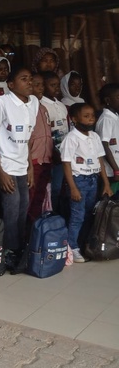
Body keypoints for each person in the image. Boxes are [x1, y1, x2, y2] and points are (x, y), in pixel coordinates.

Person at [0, 67, 39, 274]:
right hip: (5, 165)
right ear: (10, 84)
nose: (29, 83)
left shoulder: (34, 103)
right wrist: (0, 171)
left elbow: (27, 139)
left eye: (31, 79)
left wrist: (30, 167)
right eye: (23, 79)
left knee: (22, 207)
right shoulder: (3, 102)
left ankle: (19, 249)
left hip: (22, 165)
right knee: (11, 207)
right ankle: (8, 251)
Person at [61, 103, 113, 262]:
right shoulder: (71, 138)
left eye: (92, 116)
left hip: (93, 179)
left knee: (90, 214)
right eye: (86, 116)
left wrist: (106, 183)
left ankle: (83, 244)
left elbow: (99, 161)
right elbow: (66, 164)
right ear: (74, 119)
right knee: (77, 215)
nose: (91, 119)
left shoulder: (95, 136)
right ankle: (72, 247)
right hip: (79, 180)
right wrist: (73, 188)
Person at [27, 73, 54, 227]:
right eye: (36, 85)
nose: (40, 88)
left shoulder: (43, 108)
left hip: (46, 160)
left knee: (39, 197)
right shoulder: (27, 108)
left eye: (42, 84)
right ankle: (24, 234)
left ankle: (34, 231)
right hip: (33, 161)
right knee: (29, 198)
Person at [40, 71, 68, 212]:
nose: (56, 88)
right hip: (50, 154)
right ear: (43, 87)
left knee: (62, 186)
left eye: (58, 85)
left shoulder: (61, 105)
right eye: (52, 85)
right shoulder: (42, 105)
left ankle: (58, 215)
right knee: (51, 187)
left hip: (64, 153)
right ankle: (50, 215)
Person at [96, 83, 119, 194]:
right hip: (111, 172)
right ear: (108, 100)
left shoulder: (115, 116)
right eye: (118, 97)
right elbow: (104, 145)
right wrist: (116, 170)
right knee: (109, 203)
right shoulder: (106, 119)